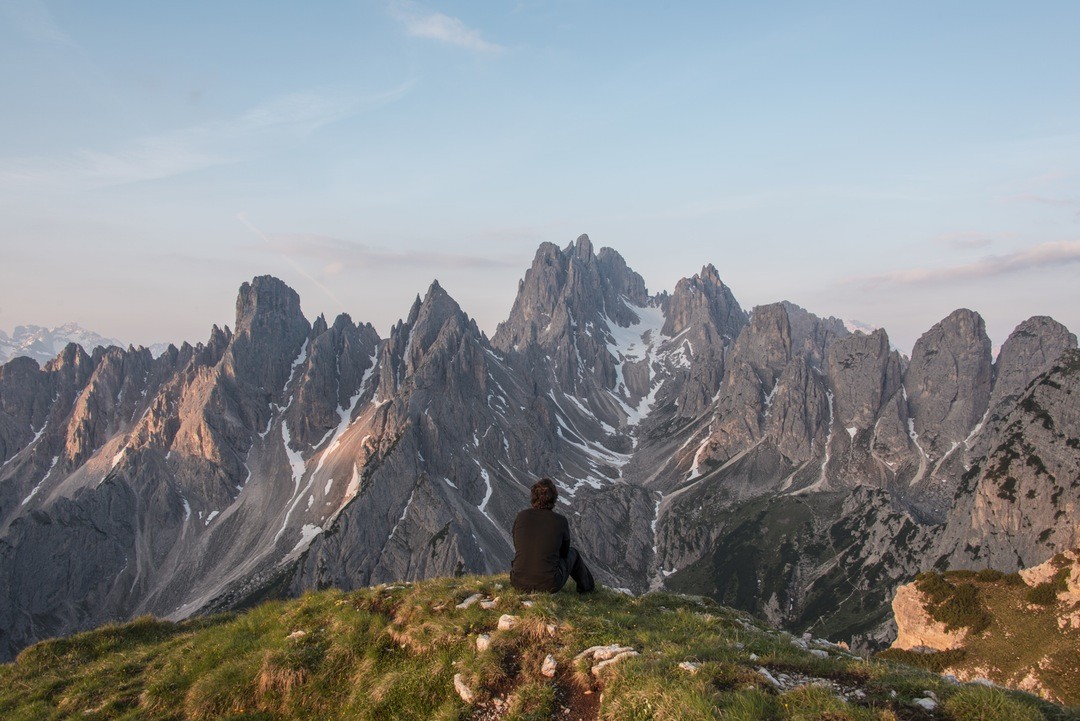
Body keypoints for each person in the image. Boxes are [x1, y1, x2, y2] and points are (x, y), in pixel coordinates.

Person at [510, 478, 596, 593]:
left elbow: (517, 545)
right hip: (549, 584)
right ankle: (587, 589)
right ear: (554, 498)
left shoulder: (521, 516)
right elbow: (564, 552)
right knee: (573, 553)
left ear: (533, 496)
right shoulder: (560, 521)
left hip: (517, 582)